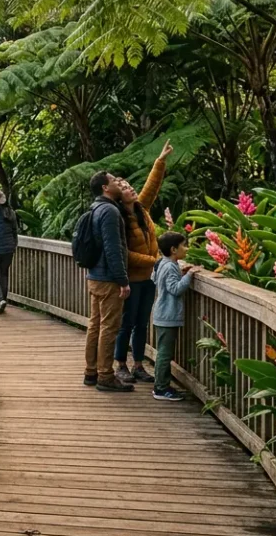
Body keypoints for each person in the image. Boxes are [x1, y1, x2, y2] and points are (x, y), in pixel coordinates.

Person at [114, 139, 173, 385]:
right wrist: (154, 260)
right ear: (118, 195)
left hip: (148, 279)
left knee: (141, 323)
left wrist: (160, 161)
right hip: (132, 279)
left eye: (129, 185)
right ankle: (121, 365)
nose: (131, 189)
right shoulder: (119, 217)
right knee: (126, 323)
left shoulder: (141, 210)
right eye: (126, 187)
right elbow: (124, 253)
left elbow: (151, 187)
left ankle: (138, 364)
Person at [82, 171, 133, 392]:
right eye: (113, 181)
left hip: (94, 276)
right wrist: (122, 279)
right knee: (109, 327)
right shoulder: (110, 211)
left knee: (95, 325)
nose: (118, 184)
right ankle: (105, 375)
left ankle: (91, 371)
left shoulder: (95, 208)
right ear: (105, 187)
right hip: (108, 278)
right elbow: (113, 249)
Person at [151, 232, 196, 402]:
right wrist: (189, 276)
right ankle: (161, 388)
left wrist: (181, 273)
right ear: (173, 249)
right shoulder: (170, 266)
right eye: (184, 245)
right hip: (167, 315)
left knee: (164, 352)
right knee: (165, 353)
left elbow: (156, 279)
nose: (187, 248)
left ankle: (161, 385)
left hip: (162, 314)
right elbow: (175, 289)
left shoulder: (163, 263)